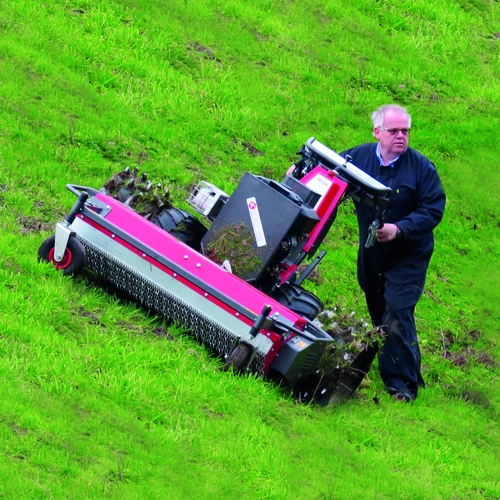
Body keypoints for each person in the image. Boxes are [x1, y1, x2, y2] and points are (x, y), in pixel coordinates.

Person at [339, 104, 446, 402]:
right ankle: (410, 372)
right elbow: (328, 168)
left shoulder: (421, 168)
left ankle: (401, 388)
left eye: (405, 131)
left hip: (409, 254)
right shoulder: (358, 157)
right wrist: (300, 170)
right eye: (394, 131)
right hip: (373, 253)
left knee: (398, 310)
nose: (401, 136)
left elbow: (433, 209)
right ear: (377, 132)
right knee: (381, 315)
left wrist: (399, 229)